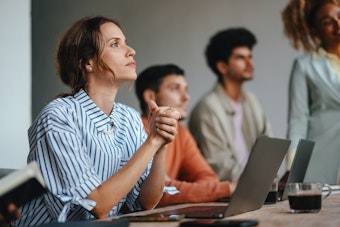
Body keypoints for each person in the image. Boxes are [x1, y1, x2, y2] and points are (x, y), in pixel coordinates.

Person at [12, 16, 181, 227]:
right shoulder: (58, 117)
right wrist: (152, 141)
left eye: (125, 42)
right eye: (115, 44)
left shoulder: (128, 118)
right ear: (87, 62)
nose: (131, 51)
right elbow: (97, 205)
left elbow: (145, 202)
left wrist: (160, 147)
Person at [135, 64, 237, 207]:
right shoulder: (134, 130)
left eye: (186, 90)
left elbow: (208, 177)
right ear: (151, 96)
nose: (186, 97)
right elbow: (157, 193)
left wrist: (181, 189)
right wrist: (227, 188)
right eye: (175, 88)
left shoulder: (181, 132)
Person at [188, 28, 272, 181]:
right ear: (222, 67)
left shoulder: (250, 100)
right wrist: (257, 182)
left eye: (250, 56)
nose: (249, 63)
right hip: (228, 194)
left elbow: (269, 146)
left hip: (256, 188)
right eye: (240, 57)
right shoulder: (208, 108)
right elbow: (218, 165)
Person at [282, 0, 340, 184]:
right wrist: (293, 168)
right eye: (327, 22)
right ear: (315, 31)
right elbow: (298, 120)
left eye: (339, 16)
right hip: (321, 158)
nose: (337, 24)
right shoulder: (304, 66)